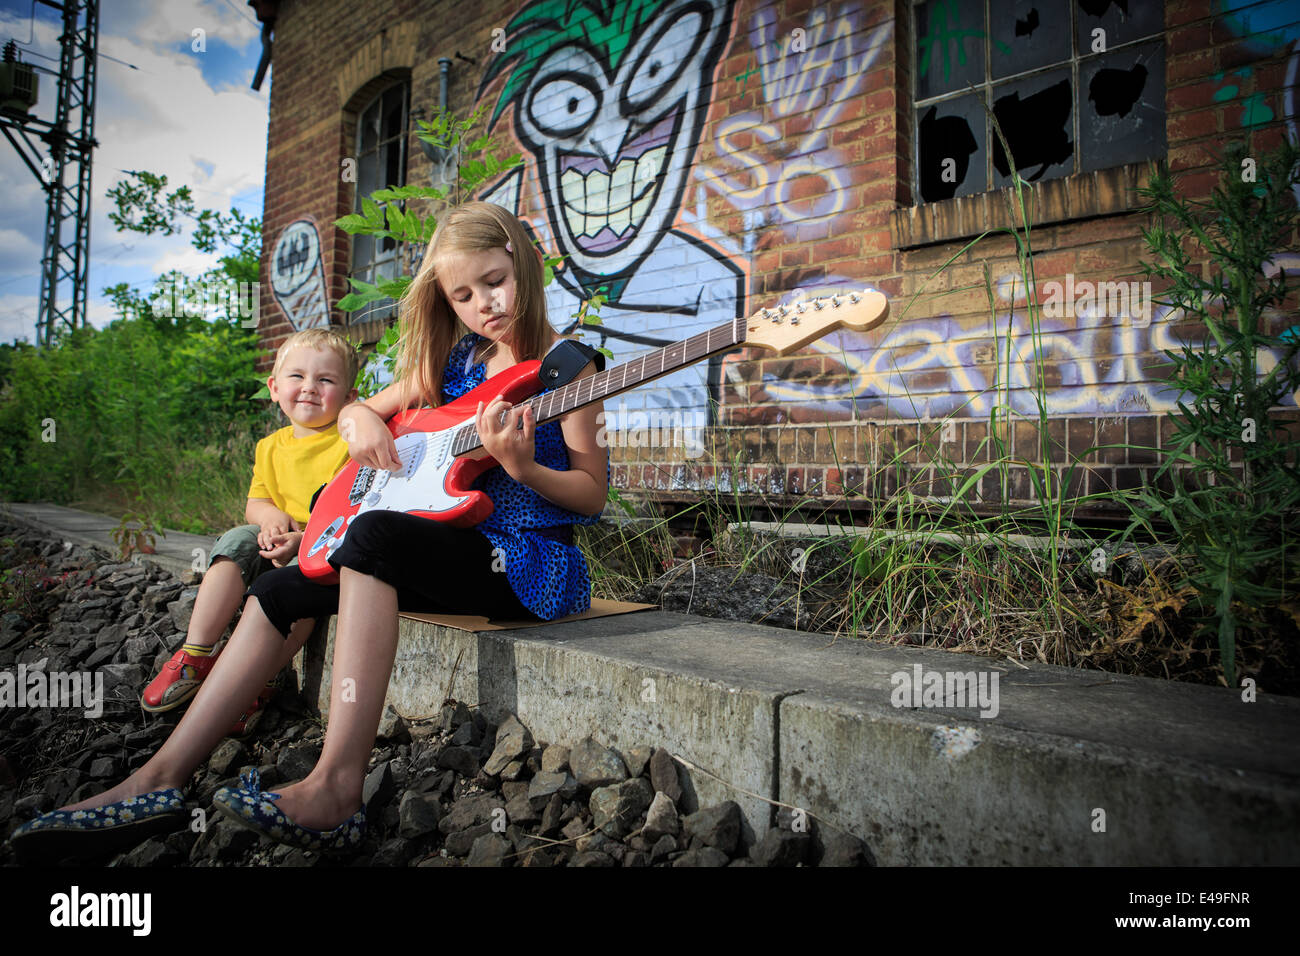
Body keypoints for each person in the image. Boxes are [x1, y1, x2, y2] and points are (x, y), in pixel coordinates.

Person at [8, 201, 608, 858]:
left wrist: (523, 466)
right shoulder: (453, 361)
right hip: (443, 543)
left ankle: (336, 787)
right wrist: (363, 422)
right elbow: (354, 414)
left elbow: (590, 493)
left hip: (521, 563)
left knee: (373, 538)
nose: (482, 304)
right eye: (461, 294)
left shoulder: (565, 368)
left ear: (524, 260)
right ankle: (157, 778)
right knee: (280, 590)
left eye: (494, 280)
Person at [139, 327, 359, 734]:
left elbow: (350, 509)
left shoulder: (347, 443)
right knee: (234, 541)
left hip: (317, 552)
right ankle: (197, 652)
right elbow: (255, 502)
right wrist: (270, 516)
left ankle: (256, 677)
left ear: (349, 398)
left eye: (325, 380)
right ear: (274, 388)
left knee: (301, 600)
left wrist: (302, 539)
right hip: (268, 542)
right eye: (297, 377)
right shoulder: (269, 446)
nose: (309, 388)